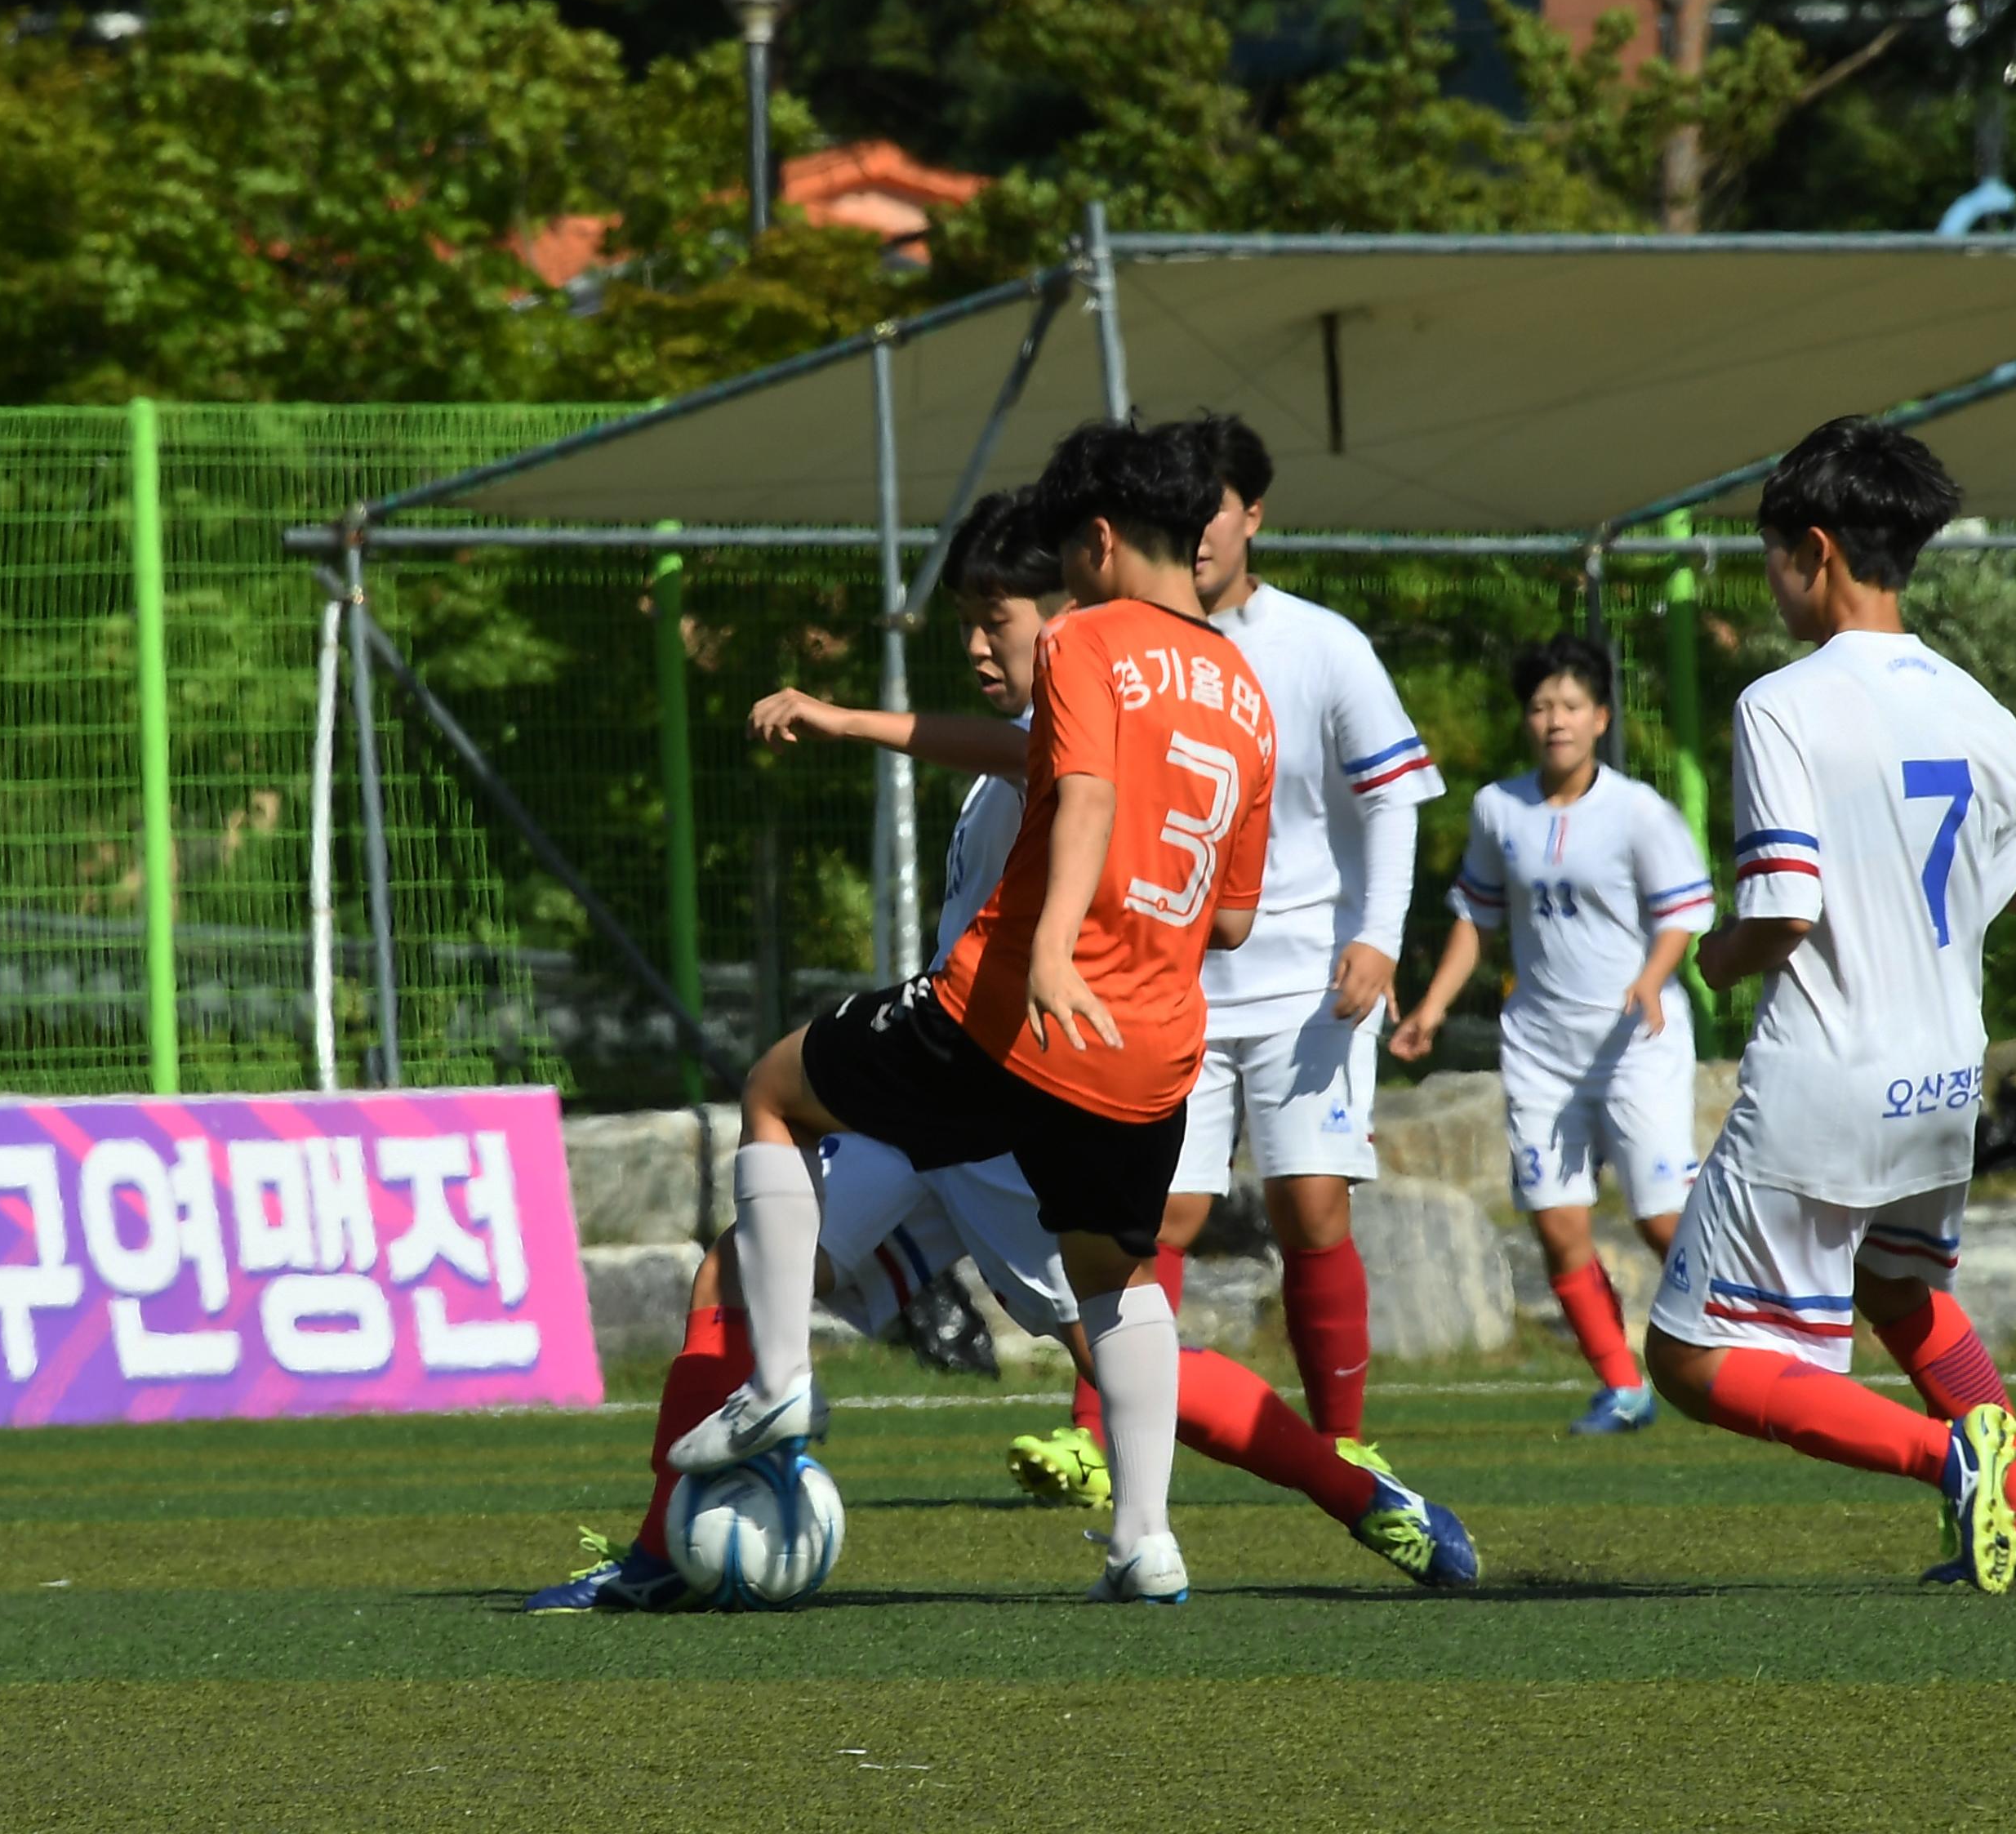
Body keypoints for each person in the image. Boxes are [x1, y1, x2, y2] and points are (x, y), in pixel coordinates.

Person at [527, 486, 1476, 1611]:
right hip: (949, 1096)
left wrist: (848, 722)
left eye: (1002, 620)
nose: (979, 646)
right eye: (968, 623)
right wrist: (852, 721)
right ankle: (661, 1551)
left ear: (1072, 603)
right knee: (749, 1269)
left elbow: (1035, 767)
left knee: (1107, 1340)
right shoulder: (1087, 726)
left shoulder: (1085, 727)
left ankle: (1359, 1497)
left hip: (1000, 1097)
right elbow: (995, 747)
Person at [665, 416, 1285, 1605]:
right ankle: (1145, 1544)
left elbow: (1086, 793)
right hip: (1152, 1050)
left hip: (1010, 1014)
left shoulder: (1089, 638)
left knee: (774, 1090)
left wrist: (1051, 947)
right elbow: (1234, 921)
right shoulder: (1244, 692)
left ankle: (781, 1379)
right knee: (1119, 1284)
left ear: (1098, 542)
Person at [1644, 416, 2016, 1593]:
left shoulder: (1784, 704)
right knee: (1898, 1288)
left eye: (1769, 558)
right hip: (1943, 1071)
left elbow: (1785, 909)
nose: (1769, 584)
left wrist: (1715, 959)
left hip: (1830, 1074)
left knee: (1689, 1359)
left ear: (1815, 550)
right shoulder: (1973, 704)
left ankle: (1952, 1459)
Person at [1011, 416, 1442, 1508]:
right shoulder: (1117, 638)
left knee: (1312, 1211)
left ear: (1251, 516)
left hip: (1304, 980)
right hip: (1175, 980)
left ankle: (1342, 1446)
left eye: (1223, 505)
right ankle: (1093, 1437)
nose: (1203, 526)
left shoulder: (1321, 643)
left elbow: (1393, 796)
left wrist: (1376, 937)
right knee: (1152, 1217)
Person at [1389, 634, 1712, 1435]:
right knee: (1556, 1217)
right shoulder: (1500, 808)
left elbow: (1684, 911)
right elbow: (1477, 918)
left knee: (1660, 1216)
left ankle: (1749, 1340)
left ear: (1601, 717)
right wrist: (1429, 1008)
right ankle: (1621, 1383)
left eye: (1571, 705)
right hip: (1541, 1046)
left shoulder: (1638, 809)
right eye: (1540, 706)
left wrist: (1650, 974)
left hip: (1636, 1039)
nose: (1554, 719)